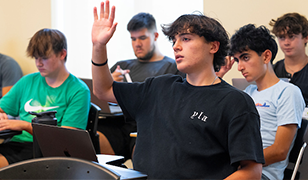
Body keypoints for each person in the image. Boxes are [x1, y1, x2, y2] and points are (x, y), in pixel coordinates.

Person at [91, 1, 264, 179]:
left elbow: (252, 171)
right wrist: (98, 46)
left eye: (186, 39)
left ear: (213, 46)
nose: (176, 46)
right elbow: (103, 90)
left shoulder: (235, 102)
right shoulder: (158, 87)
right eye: (174, 40)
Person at [0, 28, 91, 180]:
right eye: (36, 58)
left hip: (53, 154)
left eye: (44, 58)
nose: (38, 63)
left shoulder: (78, 90)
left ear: (62, 54)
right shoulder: (27, 82)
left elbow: (65, 141)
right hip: (19, 146)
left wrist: (24, 125)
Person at [98, 12, 184, 159]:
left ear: (155, 36)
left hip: (148, 127)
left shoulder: (173, 67)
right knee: (91, 134)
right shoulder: (122, 66)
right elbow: (100, 96)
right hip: (118, 124)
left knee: (144, 144)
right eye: (133, 39)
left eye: (143, 38)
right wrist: (111, 83)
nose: (137, 44)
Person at [229, 24, 305, 180]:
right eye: (237, 60)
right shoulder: (247, 93)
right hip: (236, 166)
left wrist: (239, 164)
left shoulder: (288, 92)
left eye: (245, 57)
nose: (240, 67)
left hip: (263, 174)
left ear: (266, 56)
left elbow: (279, 151)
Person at [269, 13, 308, 106]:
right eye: (282, 37)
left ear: (306, 38)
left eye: (291, 37)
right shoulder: (272, 71)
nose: (286, 43)